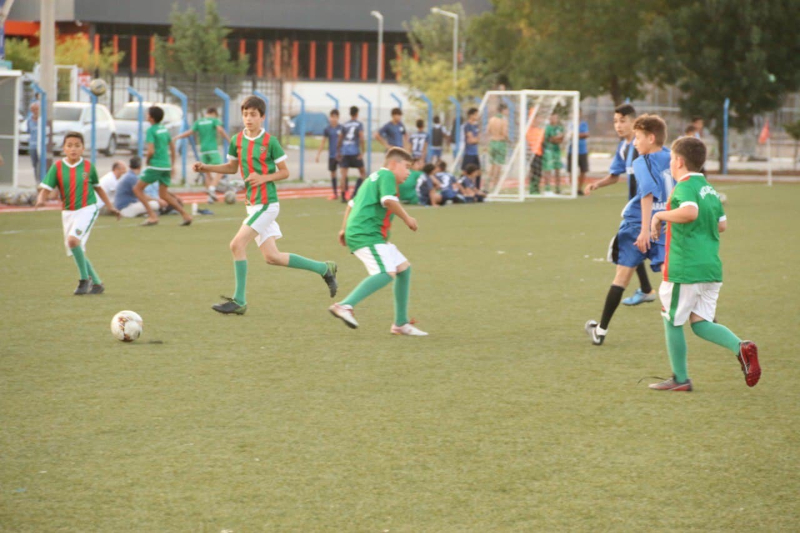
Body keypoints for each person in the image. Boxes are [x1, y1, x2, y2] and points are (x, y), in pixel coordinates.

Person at [193, 96, 338, 315]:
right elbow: (232, 168)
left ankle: (239, 301)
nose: (248, 118)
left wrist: (263, 178)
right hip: (252, 205)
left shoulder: (270, 142)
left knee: (236, 245)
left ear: (262, 117)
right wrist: (207, 168)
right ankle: (324, 268)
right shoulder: (237, 140)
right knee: (272, 257)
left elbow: (285, 172)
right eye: (245, 114)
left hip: (267, 204)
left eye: (253, 114)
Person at [648, 136, 760, 391]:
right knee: (700, 323)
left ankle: (680, 379)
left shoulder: (685, 186)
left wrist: (660, 216)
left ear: (678, 161)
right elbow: (721, 225)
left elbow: (690, 213)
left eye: (671, 160)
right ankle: (741, 347)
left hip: (685, 268)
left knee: (671, 319)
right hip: (710, 268)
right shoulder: (709, 189)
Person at [585, 114, 673, 345]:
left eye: (638, 138)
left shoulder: (641, 161)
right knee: (670, 274)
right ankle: (704, 318)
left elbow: (646, 194)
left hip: (638, 224)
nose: (634, 143)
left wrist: (644, 230)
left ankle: (601, 331)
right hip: (665, 224)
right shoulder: (674, 158)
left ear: (651, 138)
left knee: (621, 278)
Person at [328, 147, 427, 336]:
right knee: (385, 272)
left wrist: (343, 228)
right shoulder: (387, 176)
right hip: (367, 234)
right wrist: (408, 218)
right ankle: (344, 306)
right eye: (406, 167)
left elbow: (351, 204)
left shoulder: (372, 178)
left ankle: (400, 323)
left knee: (403, 269)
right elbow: (388, 201)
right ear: (393, 164)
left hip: (366, 234)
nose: (409, 172)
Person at [584, 104, 655, 306]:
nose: (618, 125)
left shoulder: (642, 146)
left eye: (623, 121)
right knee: (633, 245)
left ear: (634, 122)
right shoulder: (623, 148)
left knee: (643, 247)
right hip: (635, 210)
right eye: (615, 121)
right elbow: (615, 176)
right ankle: (647, 289)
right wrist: (597, 184)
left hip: (650, 208)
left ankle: (652, 290)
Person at [34, 132, 119, 295]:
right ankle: (97, 283)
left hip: (88, 209)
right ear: (64, 148)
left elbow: (98, 188)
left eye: (77, 145)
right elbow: (46, 188)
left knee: (73, 241)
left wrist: (110, 206)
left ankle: (83, 281)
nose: (73, 149)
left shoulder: (88, 167)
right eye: (69, 145)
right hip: (68, 212)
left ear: (83, 148)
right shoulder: (58, 167)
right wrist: (41, 199)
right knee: (75, 248)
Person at [133, 106, 192, 226]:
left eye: (147, 113)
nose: (146, 115)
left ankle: (152, 216)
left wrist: (148, 161)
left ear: (151, 117)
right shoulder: (164, 129)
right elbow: (172, 147)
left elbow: (150, 151)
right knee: (163, 194)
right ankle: (185, 215)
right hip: (166, 166)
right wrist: (173, 164)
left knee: (137, 189)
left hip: (156, 166)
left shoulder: (151, 130)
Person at [174, 107, 230, 203]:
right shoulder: (214, 120)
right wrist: (229, 140)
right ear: (214, 113)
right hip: (212, 149)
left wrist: (177, 137)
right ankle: (212, 188)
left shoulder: (198, 122)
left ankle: (210, 198)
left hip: (203, 150)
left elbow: (190, 132)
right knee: (221, 170)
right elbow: (220, 130)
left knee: (207, 173)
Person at [337, 106, 367, 203]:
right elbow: (361, 138)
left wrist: (338, 151)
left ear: (350, 113)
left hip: (345, 151)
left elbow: (340, 138)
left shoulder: (345, 125)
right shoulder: (359, 124)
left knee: (343, 175)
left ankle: (343, 196)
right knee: (363, 172)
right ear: (357, 114)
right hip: (354, 151)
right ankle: (355, 193)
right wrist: (362, 151)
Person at [315, 109, 343, 200]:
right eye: (332, 117)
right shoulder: (327, 129)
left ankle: (344, 192)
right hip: (331, 155)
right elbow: (323, 142)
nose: (333, 119)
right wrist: (318, 154)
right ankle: (335, 193)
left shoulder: (341, 128)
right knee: (333, 173)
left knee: (343, 173)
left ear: (338, 118)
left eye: (335, 117)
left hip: (341, 155)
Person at [541, 112, 565, 194]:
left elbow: (561, 139)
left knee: (557, 170)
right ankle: (547, 189)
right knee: (548, 170)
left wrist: (556, 139)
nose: (554, 119)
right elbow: (550, 139)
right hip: (548, 150)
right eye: (552, 118)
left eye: (555, 118)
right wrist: (556, 138)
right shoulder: (547, 128)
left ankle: (558, 188)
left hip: (557, 151)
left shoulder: (560, 127)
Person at [487, 103, 509, 189]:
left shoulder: (491, 119)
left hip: (492, 142)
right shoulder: (503, 120)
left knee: (492, 164)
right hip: (500, 142)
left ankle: (488, 183)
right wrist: (508, 140)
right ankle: (495, 184)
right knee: (498, 164)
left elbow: (488, 131)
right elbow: (504, 133)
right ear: (503, 110)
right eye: (506, 110)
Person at [567, 114, 590, 194]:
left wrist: (576, 135)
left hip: (582, 150)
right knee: (571, 170)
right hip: (571, 150)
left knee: (583, 170)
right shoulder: (570, 124)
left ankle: (579, 188)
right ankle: (573, 188)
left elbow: (586, 134)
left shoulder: (583, 124)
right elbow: (568, 135)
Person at [461, 108, 482, 188]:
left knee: (478, 172)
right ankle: (461, 188)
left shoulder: (476, 126)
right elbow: (471, 141)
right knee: (465, 172)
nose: (477, 116)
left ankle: (477, 189)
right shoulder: (467, 126)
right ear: (471, 115)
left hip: (475, 153)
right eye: (476, 114)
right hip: (469, 153)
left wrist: (476, 139)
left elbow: (477, 138)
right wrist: (476, 140)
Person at [526, 115, 545, 194]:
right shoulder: (529, 130)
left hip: (539, 153)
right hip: (532, 153)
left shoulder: (540, 130)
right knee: (533, 171)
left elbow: (543, 142)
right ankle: (532, 188)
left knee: (538, 171)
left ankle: (536, 188)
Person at [27, 102, 41, 182]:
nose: (34, 111)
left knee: (41, 163)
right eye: (32, 109)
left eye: (36, 109)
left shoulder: (42, 119)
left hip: (41, 145)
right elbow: (29, 131)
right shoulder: (29, 120)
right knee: (35, 164)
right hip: (32, 145)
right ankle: (37, 181)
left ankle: (42, 180)